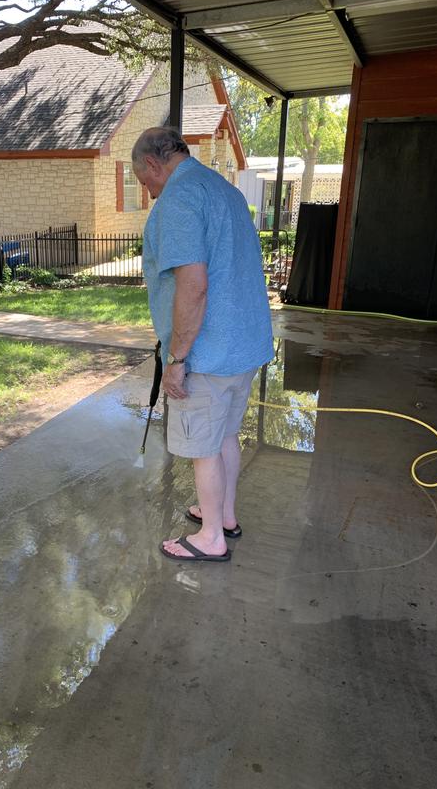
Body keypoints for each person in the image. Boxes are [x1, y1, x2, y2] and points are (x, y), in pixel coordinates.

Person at [131, 126, 274, 563]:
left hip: (208, 353)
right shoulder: (223, 190)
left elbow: (192, 286)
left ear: (154, 164)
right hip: (245, 345)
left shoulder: (179, 198)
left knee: (202, 449)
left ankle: (211, 537)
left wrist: (177, 359)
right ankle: (224, 515)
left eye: (145, 181)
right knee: (226, 436)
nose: (150, 192)